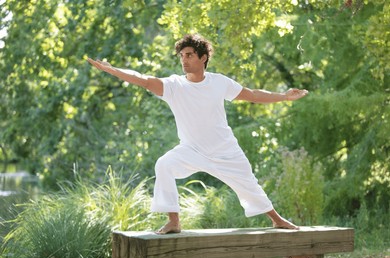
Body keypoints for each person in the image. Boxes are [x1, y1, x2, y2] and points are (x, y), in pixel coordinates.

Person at [87, 34, 308, 234]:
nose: (184, 60)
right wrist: (112, 70)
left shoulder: (219, 82)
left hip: (225, 149)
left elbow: (252, 94)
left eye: (189, 55)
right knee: (164, 165)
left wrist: (284, 96)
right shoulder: (173, 86)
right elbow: (144, 79)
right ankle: (174, 221)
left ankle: (276, 219)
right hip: (191, 149)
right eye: (182, 56)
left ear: (203, 58)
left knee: (249, 185)